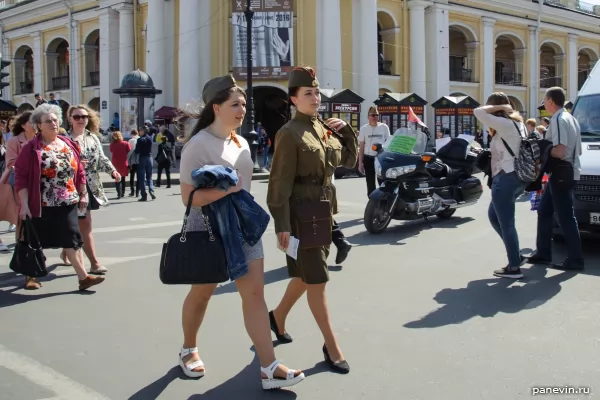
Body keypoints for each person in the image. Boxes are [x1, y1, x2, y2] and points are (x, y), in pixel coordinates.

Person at [176, 75, 305, 389]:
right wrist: (227, 191)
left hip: (243, 227)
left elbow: (244, 186)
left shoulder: (241, 141)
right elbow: (188, 197)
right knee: (203, 293)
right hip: (208, 226)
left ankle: (268, 366)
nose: (242, 110)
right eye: (235, 104)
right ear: (216, 107)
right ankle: (188, 348)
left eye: (244, 104)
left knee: (255, 295)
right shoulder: (198, 144)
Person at [267, 67, 358, 373]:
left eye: (317, 92)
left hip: (323, 213)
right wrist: (281, 225)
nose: (315, 98)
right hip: (301, 216)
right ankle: (332, 347)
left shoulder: (324, 129)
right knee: (317, 280)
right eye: (308, 93)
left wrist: (345, 131)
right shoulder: (289, 133)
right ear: (293, 99)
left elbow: (348, 161)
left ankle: (277, 317)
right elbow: (279, 182)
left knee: (306, 276)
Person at [13, 104, 105, 290]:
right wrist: (24, 204)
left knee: (71, 238)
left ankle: (83, 277)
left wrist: (83, 193)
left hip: (68, 201)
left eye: (55, 120)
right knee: (34, 240)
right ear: (39, 125)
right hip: (41, 202)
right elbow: (21, 177)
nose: (54, 123)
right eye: (48, 121)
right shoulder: (31, 148)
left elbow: (79, 171)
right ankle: (31, 276)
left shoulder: (68, 143)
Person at [527, 87, 584, 270]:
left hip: (561, 173)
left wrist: (541, 147)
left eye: (544, 100)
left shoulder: (558, 119)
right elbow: (578, 149)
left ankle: (575, 259)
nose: (544, 104)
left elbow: (559, 151)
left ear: (551, 101)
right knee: (544, 211)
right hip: (567, 172)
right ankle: (543, 252)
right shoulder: (571, 118)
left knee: (565, 217)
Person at [473, 93, 528, 279]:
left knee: (506, 223)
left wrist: (500, 108)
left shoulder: (504, 124)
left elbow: (477, 111)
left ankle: (514, 267)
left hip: (506, 177)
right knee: (494, 216)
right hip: (516, 177)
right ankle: (516, 256)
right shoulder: (518, 124)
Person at [61, 105, 121, 274]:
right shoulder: (63, 138)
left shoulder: (92, 137)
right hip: (70, 186)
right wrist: (75, 165)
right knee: (84, 224)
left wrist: (113, 171)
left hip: (90, 185)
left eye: (84, 116)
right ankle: (94, 263)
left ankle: (67, 249)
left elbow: (102, 158)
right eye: (77, 116)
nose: (81, 119)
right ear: (70, 119)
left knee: (82, 223)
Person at [1, 112, 37, 287]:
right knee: (24, 225)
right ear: (23, 125)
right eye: (33, 122)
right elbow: (11, 164)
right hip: (21, 188)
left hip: (41, 187)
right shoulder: (15, 141)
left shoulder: (43, 138)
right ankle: (27, 268)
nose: (36, 124)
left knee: (39, 225)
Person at [358, 106, 390, 197]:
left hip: (380, 158)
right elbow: (361, 146)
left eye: (377, 115)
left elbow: (388, 143)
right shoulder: (364, 129)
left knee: (382, 182)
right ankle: (372, 203)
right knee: (370, 182)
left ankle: (384, 201)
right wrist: (360, 163)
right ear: (368, 117)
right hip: (369, 158)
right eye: (373, 115)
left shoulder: (384, 127)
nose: (375, 117)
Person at [109, 131, 131, 198]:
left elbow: (111, 151)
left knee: (117, 178)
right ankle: (123, 193)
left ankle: (119, 193)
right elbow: (128, 150)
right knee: (123, 178)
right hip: (123, 162)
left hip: (115, 162)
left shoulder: (112, 144)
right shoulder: (125, 143)